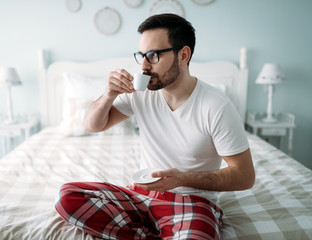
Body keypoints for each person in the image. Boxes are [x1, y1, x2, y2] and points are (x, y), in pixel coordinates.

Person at [55, 14, 255, 240]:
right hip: (140, 195)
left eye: (153, 55)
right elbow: (93, 125)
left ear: (183, 55)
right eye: (141, 55)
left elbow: (244, 176)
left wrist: (181, 178)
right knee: (68, 196)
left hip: (191, 203)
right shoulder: (140, 93)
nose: (143, 66)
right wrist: (109, 94)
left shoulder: (216, 106)